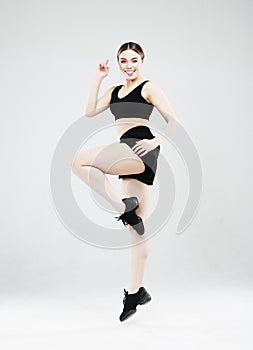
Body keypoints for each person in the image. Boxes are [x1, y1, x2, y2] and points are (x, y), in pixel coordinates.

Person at [71, 41, 178, 322]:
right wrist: (97, 78)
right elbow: (89, 111)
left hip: (139, 147)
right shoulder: (115, 91)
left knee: (78, 160)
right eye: (123, 61)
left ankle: (122, 205)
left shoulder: (149, 87)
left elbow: (173, 121)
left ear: (143, 61)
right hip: (126, 150)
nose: (128, 65)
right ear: (118, 64)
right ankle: (136, 292)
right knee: (136, 227)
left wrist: (155, 140)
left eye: (133, 60)